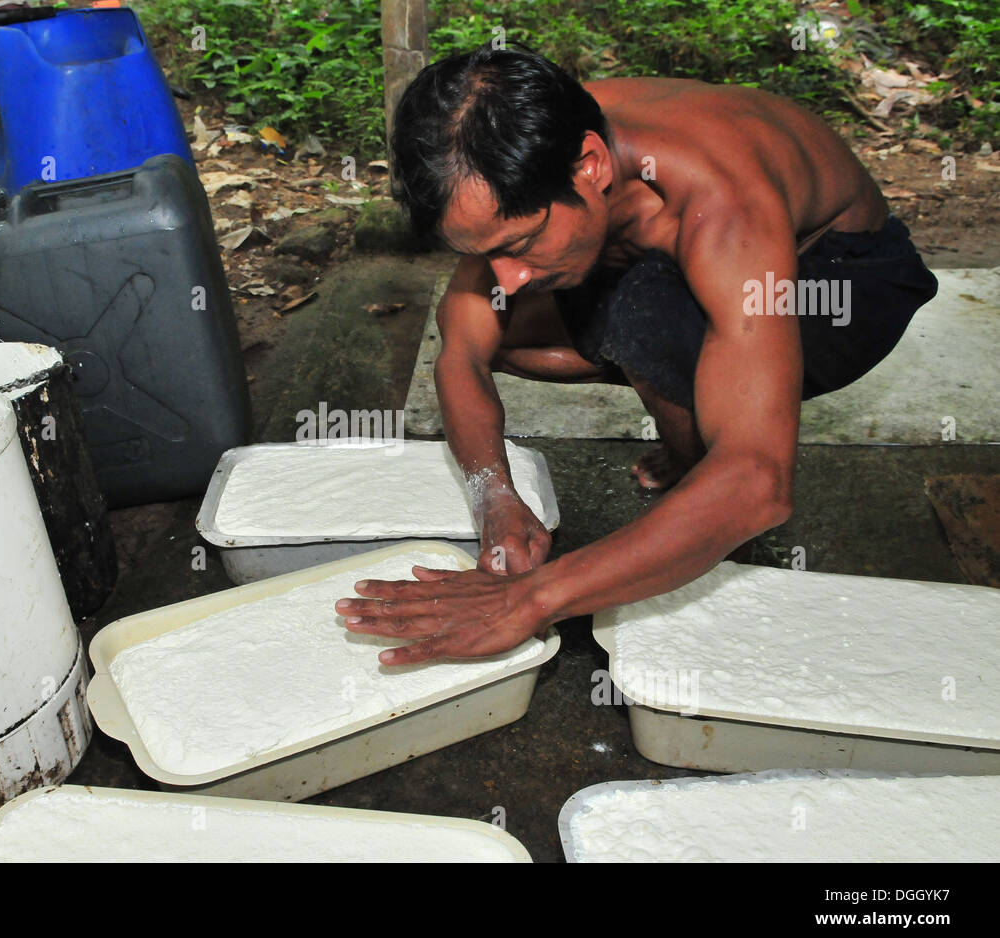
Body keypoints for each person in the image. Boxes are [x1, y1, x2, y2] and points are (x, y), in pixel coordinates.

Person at [333, 44, 938, 664]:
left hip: (838, 282)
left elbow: (761, 481)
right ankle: (688, 413)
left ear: (589, 166)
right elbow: (460, 353)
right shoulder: (515, 142)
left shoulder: (724, 206)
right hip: (662, 243)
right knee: (503, 329)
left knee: (645, 318)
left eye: (519, 244)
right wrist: (495, 497)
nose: (505, 277)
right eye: (484, 251)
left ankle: (700, 474)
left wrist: (531, 600)